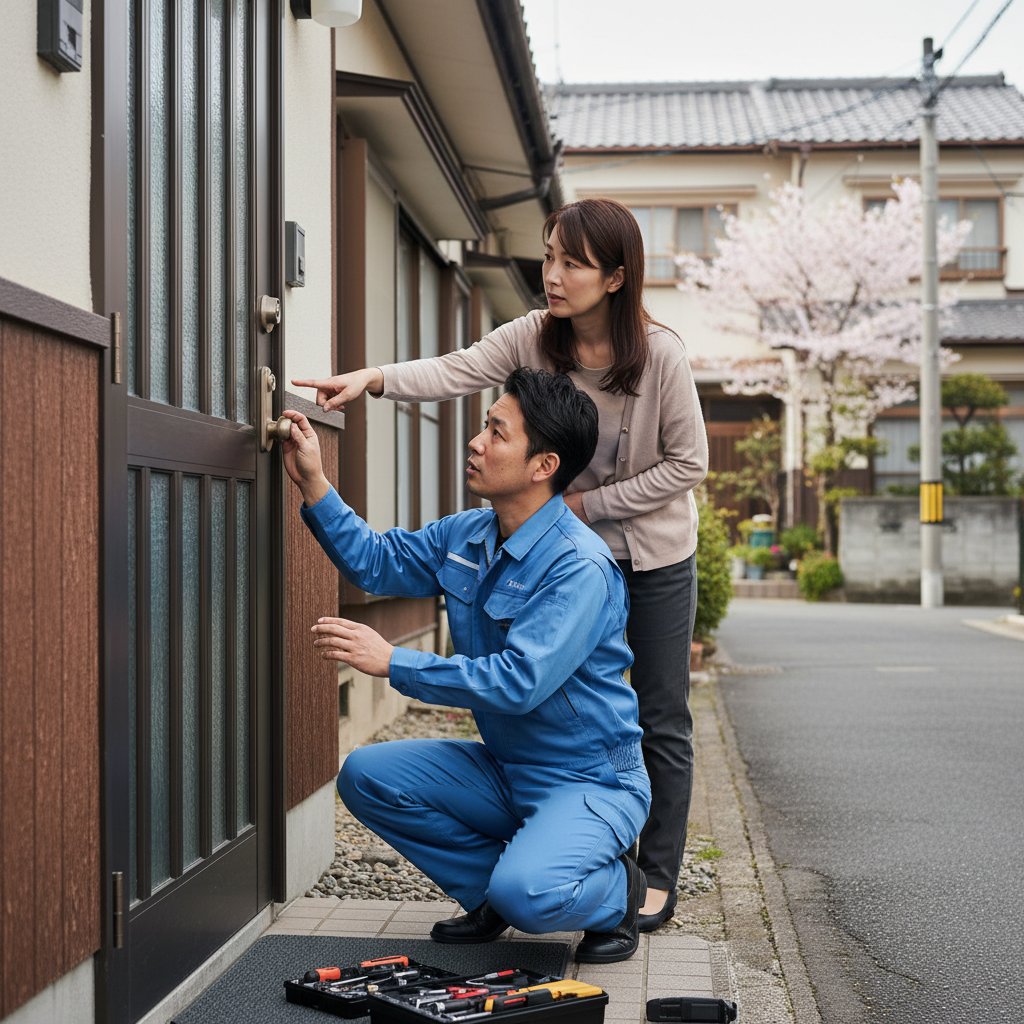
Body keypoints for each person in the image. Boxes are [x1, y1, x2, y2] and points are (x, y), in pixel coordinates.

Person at [292, 198, 709, 930]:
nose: (552, 275)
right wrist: (368, 385)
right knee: (393, 776)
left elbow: (688, 463)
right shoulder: (531, 345)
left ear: (615, 277)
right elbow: (457, 368)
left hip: (643, 546)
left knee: (660, 713)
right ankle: (514, 879)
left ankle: (645, 880)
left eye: (572, 263)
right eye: (548, 257)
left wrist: (583, 507)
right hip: (542, 532)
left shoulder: (660, 354)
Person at [282, 367, 652, 963]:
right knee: (366, 775)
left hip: (590, 782)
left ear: (543, 465)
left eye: (497, 433)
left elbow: (520, 682)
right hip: (507, 769)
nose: (476, 442)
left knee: (531, 893)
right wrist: (314, 483)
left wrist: (394, 662)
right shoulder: (468, 535)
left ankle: (617, 893)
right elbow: (376, 563)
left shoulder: (578, 567)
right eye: (485, 426)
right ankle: (490, 894)